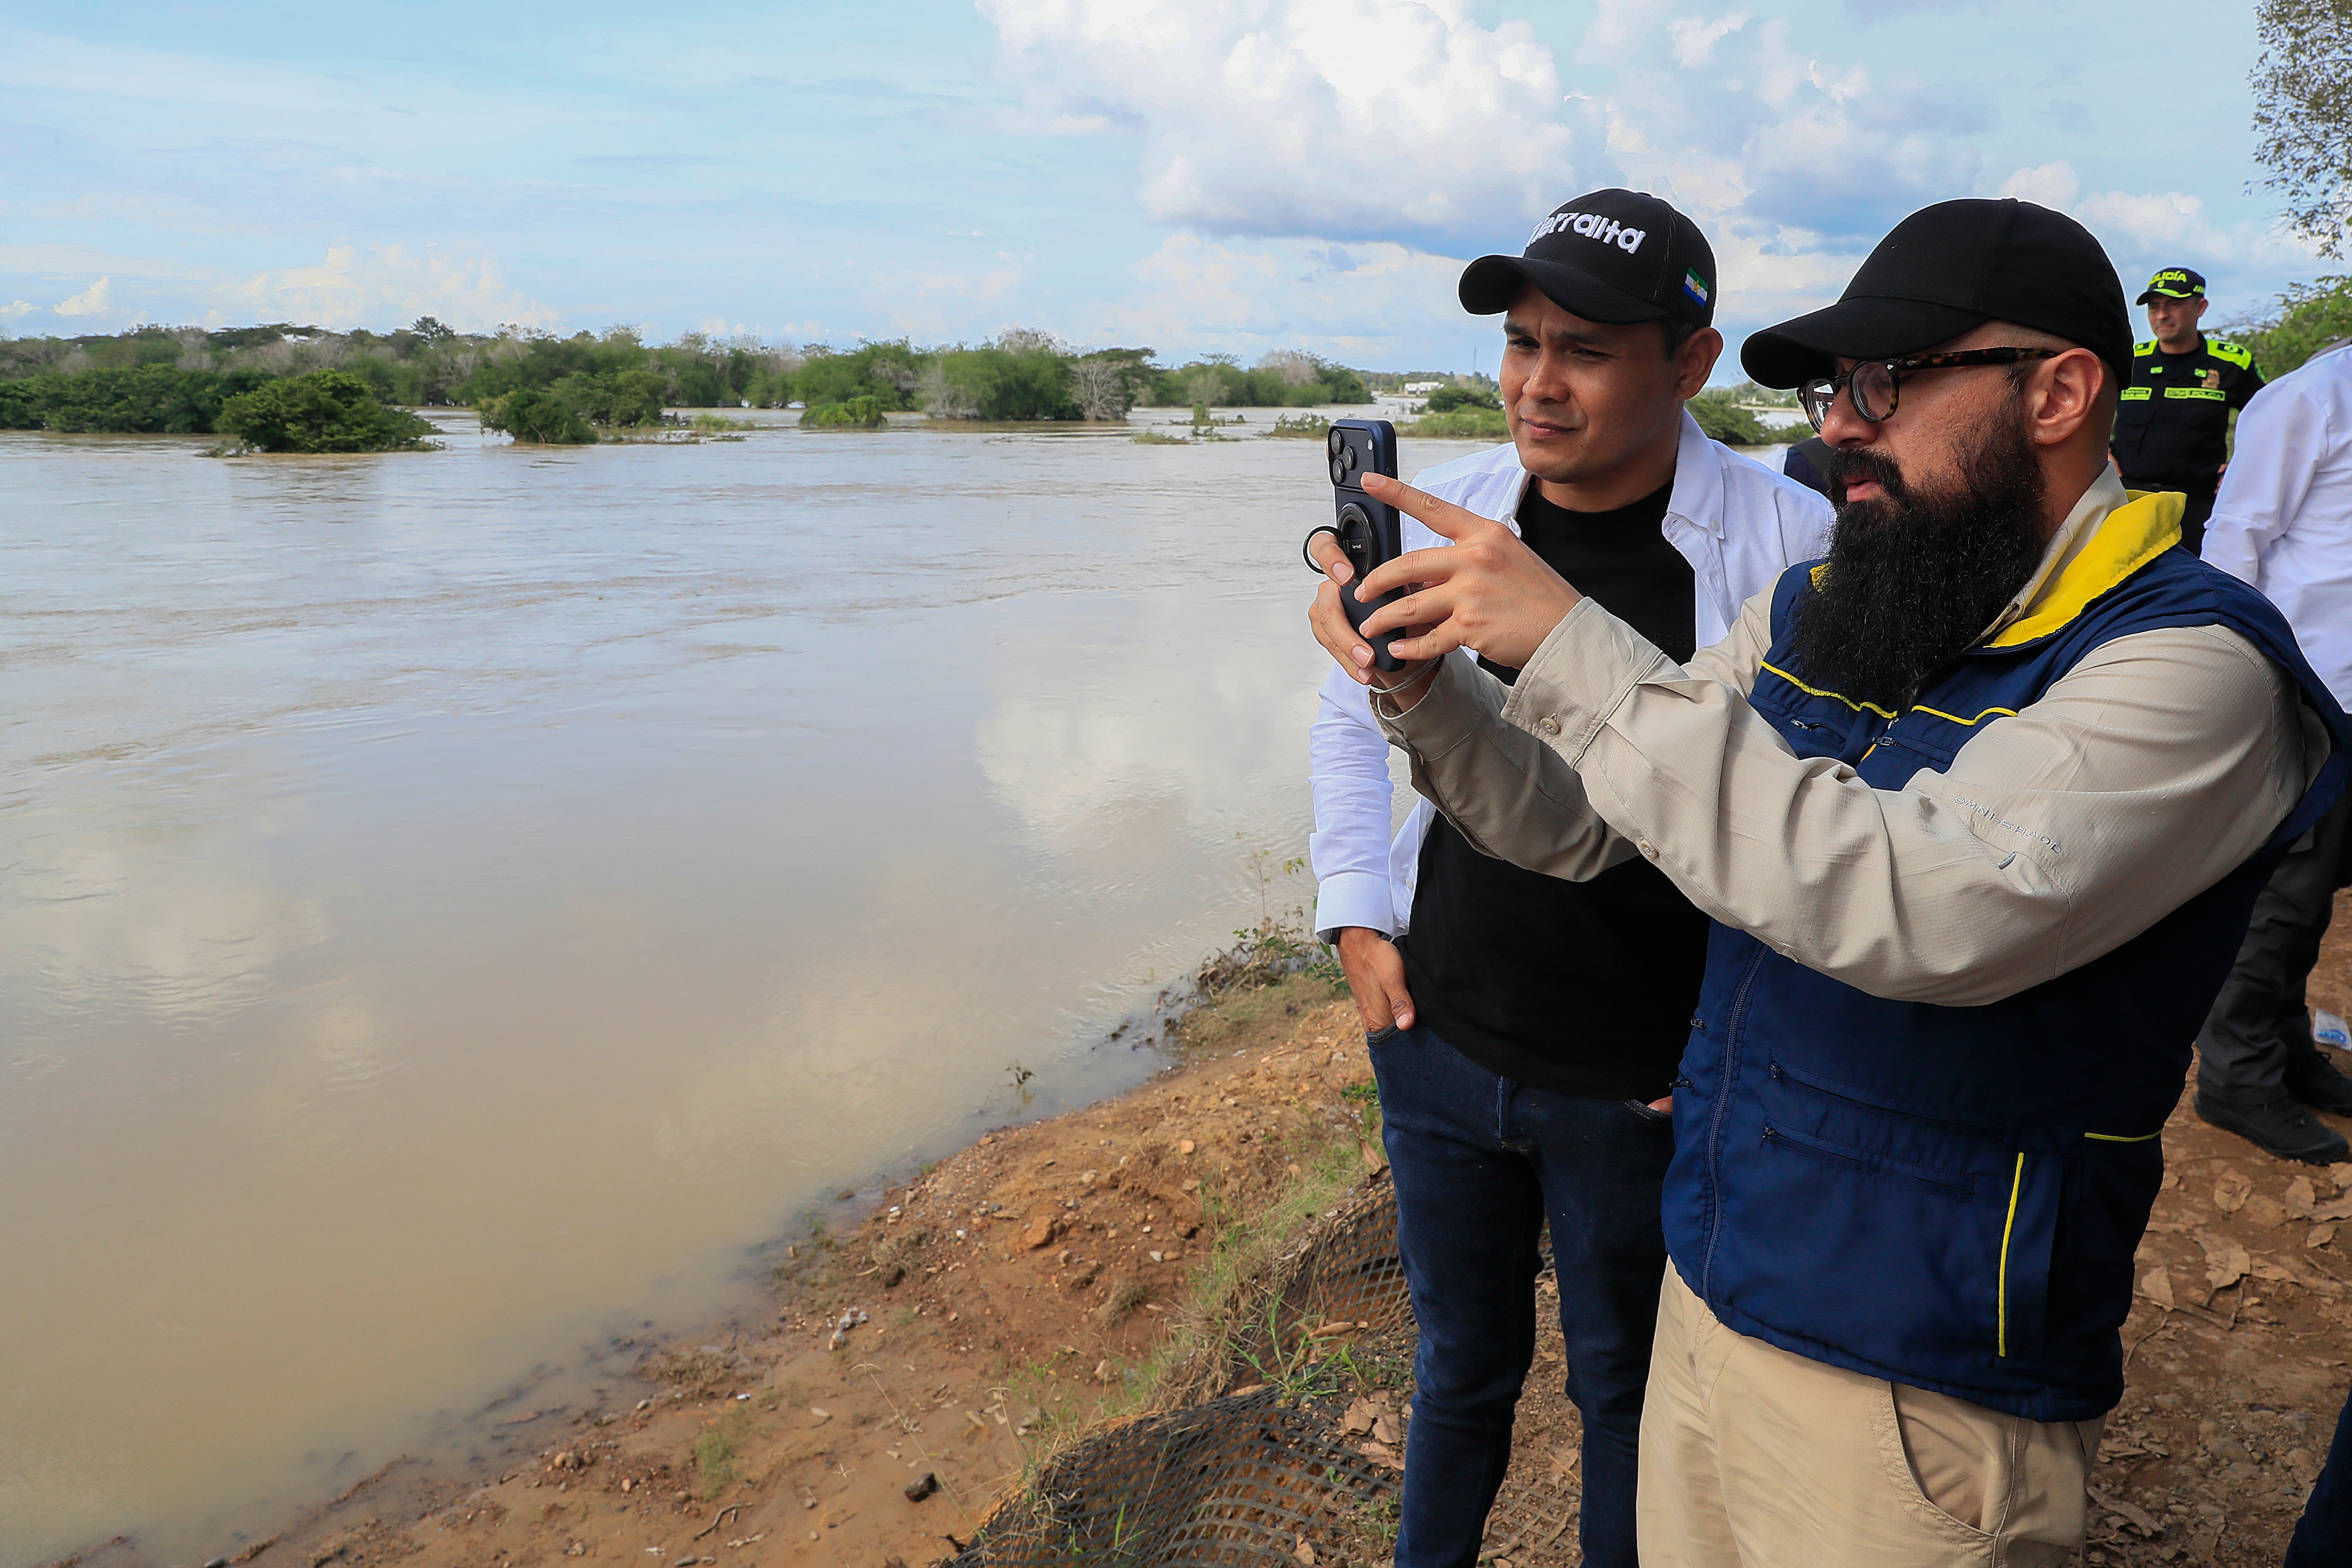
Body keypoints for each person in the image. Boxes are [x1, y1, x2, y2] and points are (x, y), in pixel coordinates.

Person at [1308, 197, 2347, 1566]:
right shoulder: (1830, 603)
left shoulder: (2193, 668)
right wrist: (1427, 695)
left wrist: (1565, 642)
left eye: (1882, 383)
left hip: (1920, 1391)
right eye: (1828, 388)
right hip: (1715, 1270)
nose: (1837, 426)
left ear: (2058, 390)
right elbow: (1580, 824)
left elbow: (1916, 904)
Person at [1305, 189, 1830, 1568]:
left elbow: (1809, 822)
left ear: (1690, 362)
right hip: (1443, 1038)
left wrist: (1734, 1040)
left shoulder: (1786, 547)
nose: (1537, 383)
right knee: (1459, 1366)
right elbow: (1350, 716)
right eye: (1522, 343)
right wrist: (1359, 912)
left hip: (1642, 1077)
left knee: (1622, 1389)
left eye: (1584, 350)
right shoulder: (1457, 510)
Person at [2194, 338, 2352, 1163]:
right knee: (2279, 894)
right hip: (2306, 689)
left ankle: (2286, 1050)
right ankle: (2237, 1075)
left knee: (2316, 895)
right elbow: (2234, 543)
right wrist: (2244, 685)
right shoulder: (2311, 397)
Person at [2109, 266, 2265, 555]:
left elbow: (2270, 419)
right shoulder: (2131, 360)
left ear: (2201, 307)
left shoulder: (2232, 364)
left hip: (2199, 505)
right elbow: (2086, 409)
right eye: (2154, 307)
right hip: (2128, 499)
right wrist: (2101, 453)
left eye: (2174, 305)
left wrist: (2244, 462)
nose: (2162, 316)